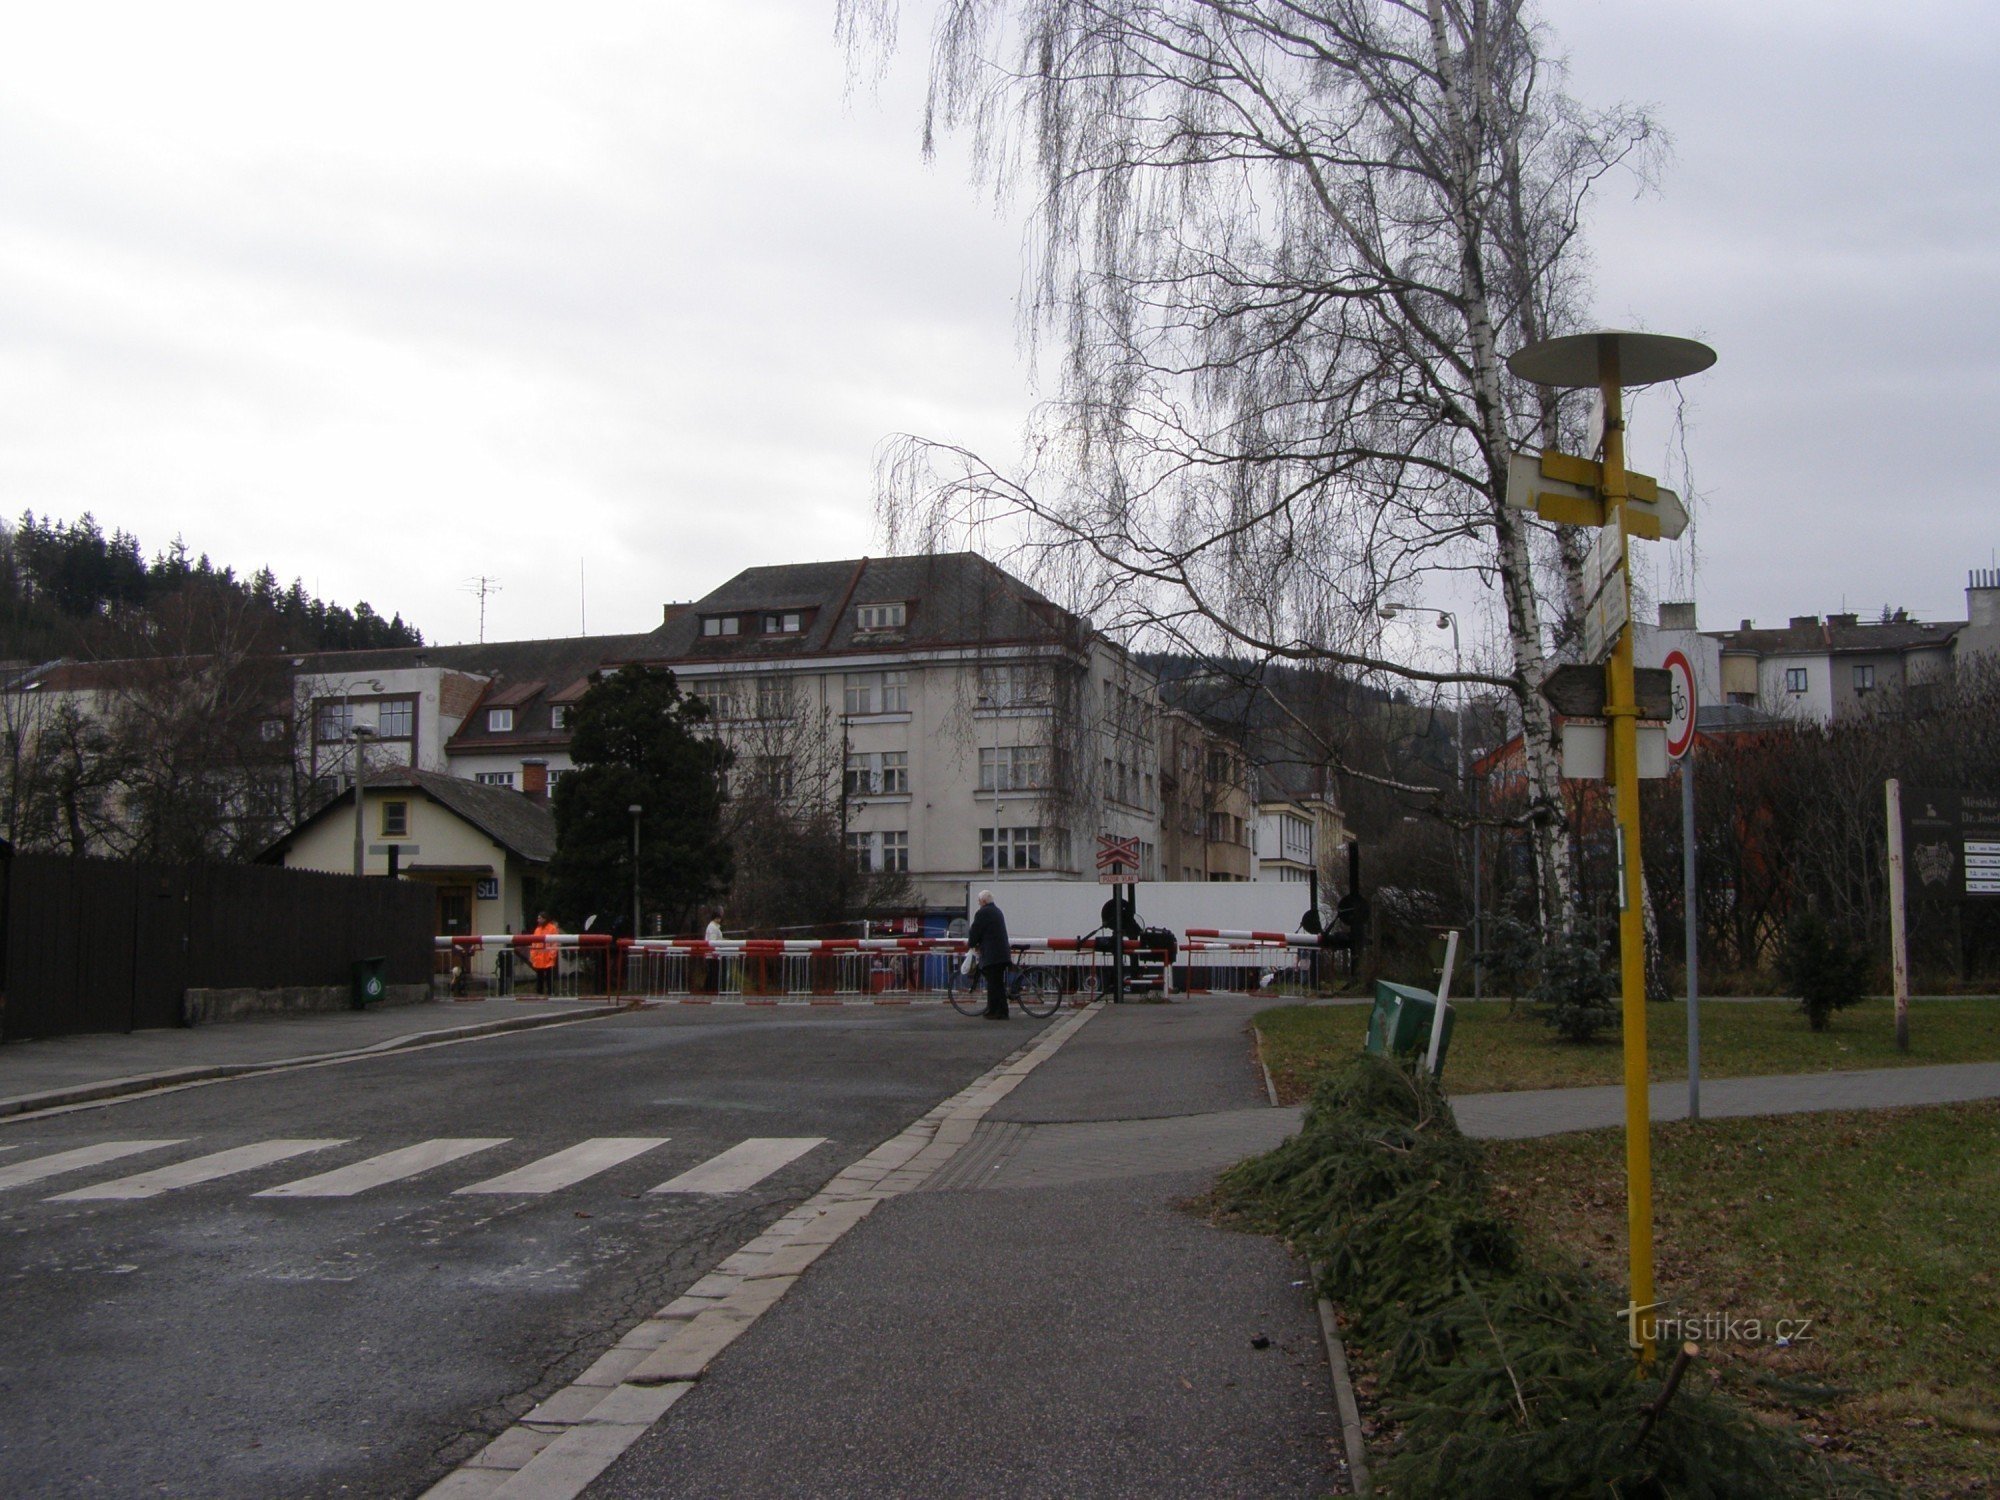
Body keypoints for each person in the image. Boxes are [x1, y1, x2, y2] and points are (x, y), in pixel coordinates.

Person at [966, 889, 1011, 1019]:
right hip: (1001, 953)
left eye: (979, 901)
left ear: (984, 901)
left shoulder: (983, 913)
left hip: (992, 954)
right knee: (997, 983)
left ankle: (998, 1012)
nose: (978, 903)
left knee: (994, 984)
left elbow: (975, 931)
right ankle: (996, 1010)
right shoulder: (997, 911)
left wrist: (971, 944)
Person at [529, 911, 561, 995]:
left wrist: (552, 954)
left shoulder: (552, 928)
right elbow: (534, 943)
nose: (538, 920)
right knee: (539, 976)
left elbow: (555, 942)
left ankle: (551, 992)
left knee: (549, 976)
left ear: (545, 919)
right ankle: (539, 992)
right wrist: (533, 955)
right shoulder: (537, 929)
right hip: (539, 956)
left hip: (548, 956)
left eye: (540, 918)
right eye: (538, 918)